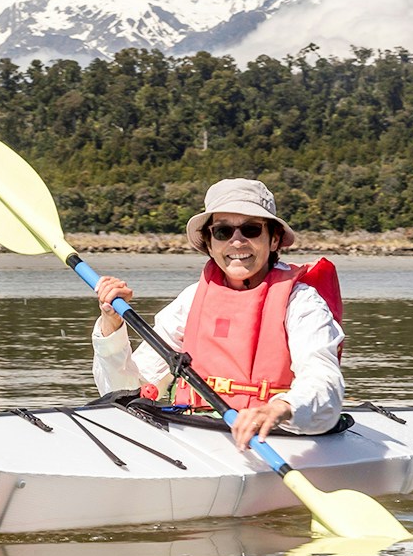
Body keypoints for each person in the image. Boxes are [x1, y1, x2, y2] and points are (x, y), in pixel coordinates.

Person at [91, 178, 345, 450]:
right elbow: (123, 390)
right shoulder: (190, 301)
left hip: (277, 437)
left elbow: (324, 383)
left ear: (273, 240)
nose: (237, 242)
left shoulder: (301, 301)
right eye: (223, 231)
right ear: (210, 244)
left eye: (250, 229)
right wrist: (112, 326)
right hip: (195, 435)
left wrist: (280, 408)